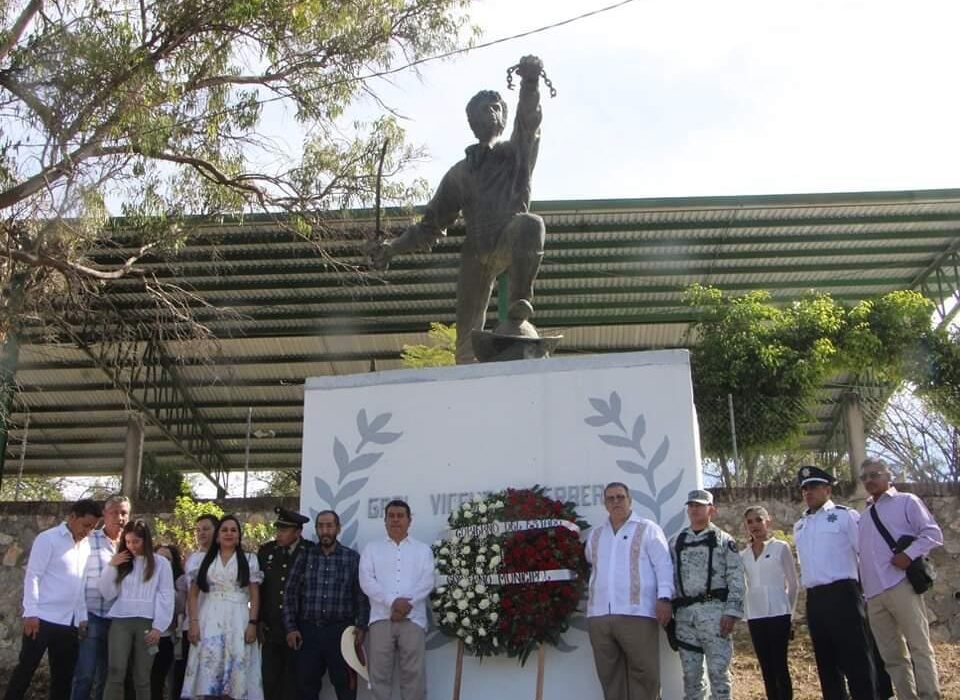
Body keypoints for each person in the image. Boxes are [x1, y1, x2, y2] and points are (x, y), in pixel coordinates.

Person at [370, 55, 547, 363]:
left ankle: (519, 304)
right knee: (465, 346)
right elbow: (430, 227)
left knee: (531, 224)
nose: (491, 112)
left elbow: (528, 124)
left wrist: (530, 84)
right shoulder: (459, 174)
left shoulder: (514, 155)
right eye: (483, 109)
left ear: (504, 118)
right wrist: (391, 249)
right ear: (471, 121)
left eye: (497, 107)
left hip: (509, 235)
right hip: (475, 253)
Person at [857, 458, 944, 700]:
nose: (870, 480)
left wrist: (908, 554)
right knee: (892, 656)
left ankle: (929, 695)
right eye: (864, 477)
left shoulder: (906, 501)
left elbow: (933, 534)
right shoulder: (863, 517)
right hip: (874, 594)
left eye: (875, 474)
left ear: (888, 475)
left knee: (919, 646)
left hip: (901, 585)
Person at [4, 498, 103, 700]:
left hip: (69, 622)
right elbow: (33, 575)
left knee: (63, 678)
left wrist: (82, 617)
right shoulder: (48, 539)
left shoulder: (86, 546)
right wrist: (31, 613)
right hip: (41, 619)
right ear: (72, 517)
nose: (88, 531)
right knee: (26, 670)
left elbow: (80, 583)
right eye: (86, 525)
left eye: (93, 527)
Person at [793, 465, 877, 700]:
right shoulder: (800, 525)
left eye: (814, 487)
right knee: (826, 662)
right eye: (805, 488)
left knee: (856, 658)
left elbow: (865, 554)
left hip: (843, 593)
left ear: (828, 490)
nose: (808, 492)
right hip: (815, 597)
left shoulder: (845, 516)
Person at [584, 481, 674, 700]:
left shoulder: (647, 528)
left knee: (645, 674)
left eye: (620, 497)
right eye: (610, 498)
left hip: (637, 613)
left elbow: (663, 565)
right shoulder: (596, 535)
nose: (616, 502)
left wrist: (664, 598)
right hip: (599, 616)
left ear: (630, 500)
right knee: (609, 675)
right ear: (605, 504)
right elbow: (590, 564)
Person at [285, 510, 370, 700]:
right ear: (316, 529)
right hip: (308, 632)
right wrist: (291, 628)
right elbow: (290, 594)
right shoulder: (305, 556)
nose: (325, 530)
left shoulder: (351, 558)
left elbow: (361, 596)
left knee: (346, 687)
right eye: (321, 526)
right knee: (306, 687)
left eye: (329, 526)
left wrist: (362, 626)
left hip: (341, 633)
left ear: (338, 529)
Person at [669, 489, 744, 700]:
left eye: (700, 505)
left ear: (712, 509)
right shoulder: (676, 542)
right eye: (691, 505)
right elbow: (667, 578)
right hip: (685, 618)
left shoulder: (723, 540)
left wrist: (732, 612)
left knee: (718, 673)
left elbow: (736, 577)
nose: (694, 509)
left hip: (716, 614)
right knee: (691, 677)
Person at [181, 515, 263, 700]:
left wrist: (252, 623)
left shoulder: (250, 560)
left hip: (238, 619)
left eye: (233, 530)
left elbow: (255, 595)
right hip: (209, 619)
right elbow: (193, 595)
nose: (229, 533)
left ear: (239, 536)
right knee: (209, 675)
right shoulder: (204, 561)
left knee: (235, 677)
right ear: (217, 536)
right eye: (224, 530)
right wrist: (193, 623)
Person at [359, 500, 434, 700]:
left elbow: (427, 581)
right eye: (391, 516)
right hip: (381, 619)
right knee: (379, 677)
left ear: (410, 521)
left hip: (413, 619)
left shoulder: (423, 550)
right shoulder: (372, 549)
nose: (395, 520)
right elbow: (366, 581)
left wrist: (405, 606)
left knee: (414, 676)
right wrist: (393, 602)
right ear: (384, 521)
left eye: (400, 516)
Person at [98, 520, 174, 700]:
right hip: (121, 621)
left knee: (142, 676)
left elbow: (166, 595)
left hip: (147, 623)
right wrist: (112, 566)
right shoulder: (123, 561)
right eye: (128, 541)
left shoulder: (161, 563)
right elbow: (107, 593)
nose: (131, 546)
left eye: (136, 542)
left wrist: (159, 627)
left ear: (145, 540)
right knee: (116, 671)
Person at [72, 495, 132, 700]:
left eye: (124, 513)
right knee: (85, 675)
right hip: (92, 616)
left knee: (106, 678)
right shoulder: (89, 539)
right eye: (114, 512)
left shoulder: (131, 545)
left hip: (118, 621)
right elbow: (76, 575)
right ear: (104, 515)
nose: (119, 517)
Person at [740, 505, 798, 700]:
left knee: (779, 664)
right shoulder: (743, 555)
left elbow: (793, 584)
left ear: (768, 521)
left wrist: (790, 613)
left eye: (758, 520)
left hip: (778, 613)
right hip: (755, 614)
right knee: (765, 666)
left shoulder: (780, 547)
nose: (754, 525)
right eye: (750, 522)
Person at [257, 507, 312, 700]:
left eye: (284, 530)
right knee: (270, 681)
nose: (279, 534)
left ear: (297, 532)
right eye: (278, 529)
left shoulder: (310, 552)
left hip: (299, 629)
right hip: (271, 629)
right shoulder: (266, 552)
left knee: (295, 683)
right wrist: (259, 620)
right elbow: (261, 590)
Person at [172, 514, 218, 700]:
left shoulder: (222, 557)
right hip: (190, 625)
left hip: (213, 624)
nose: (201, 533)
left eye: (206, 529)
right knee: (185, 675)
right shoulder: (192, 558)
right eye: (198, 530)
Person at [152, 544, 186, 700]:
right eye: (159, 558)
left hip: (166, 639)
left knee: (159, 681)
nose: (163, 562)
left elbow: (180, 608)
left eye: (167, 559)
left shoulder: (178, 584)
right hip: (144, 637)